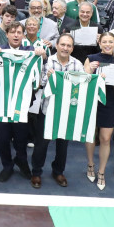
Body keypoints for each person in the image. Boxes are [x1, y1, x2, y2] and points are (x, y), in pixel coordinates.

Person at [0, 22, 46, 183]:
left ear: (23, 35)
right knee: (3, 139)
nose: (16, 35)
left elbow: (37, 81)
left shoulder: (30, 52)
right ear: (7, 34)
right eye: (12, 32)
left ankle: (22, 161)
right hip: (0, 105)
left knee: (21, 138)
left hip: (21, 105)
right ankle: (7, 166)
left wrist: (42, 54)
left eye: (19, 32)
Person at [31, 33, 80, 189]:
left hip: (66, 111)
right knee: (41, 144)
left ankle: (58, 171)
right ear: (57, 45)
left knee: (63, 145)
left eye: (69, 46)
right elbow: (38, 84)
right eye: (63, 45)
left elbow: (81, 88)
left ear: (72, 48)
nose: (65, 48)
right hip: (47, 109)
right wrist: (48, 78)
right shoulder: (47, 61)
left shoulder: (77, 65)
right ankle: (36, 172)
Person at [83, 32, 114, 191]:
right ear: (100, 43)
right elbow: (84, 81)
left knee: (106, 138)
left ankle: (101, 172)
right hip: (92, 101)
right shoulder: (91, 58)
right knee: (91, 136)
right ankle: (90, 164)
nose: (108, 44)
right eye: (105, 42)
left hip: (109, 102)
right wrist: (90, 70)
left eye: (111, 42)